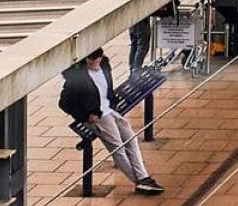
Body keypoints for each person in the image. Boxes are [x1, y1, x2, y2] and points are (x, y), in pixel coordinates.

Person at [58, 49, 162, 195]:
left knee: (131, 139)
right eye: (97, 60)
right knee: (117, 147)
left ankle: (143, 176)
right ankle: (139, 182)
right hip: (97, 117)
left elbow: (106, 89)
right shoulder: (77, 79)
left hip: (109, 110)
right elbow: (64, 103)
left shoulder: (104, 65)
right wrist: (85, 117)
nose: (99, 63)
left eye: (101, 59)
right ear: (88, 60)